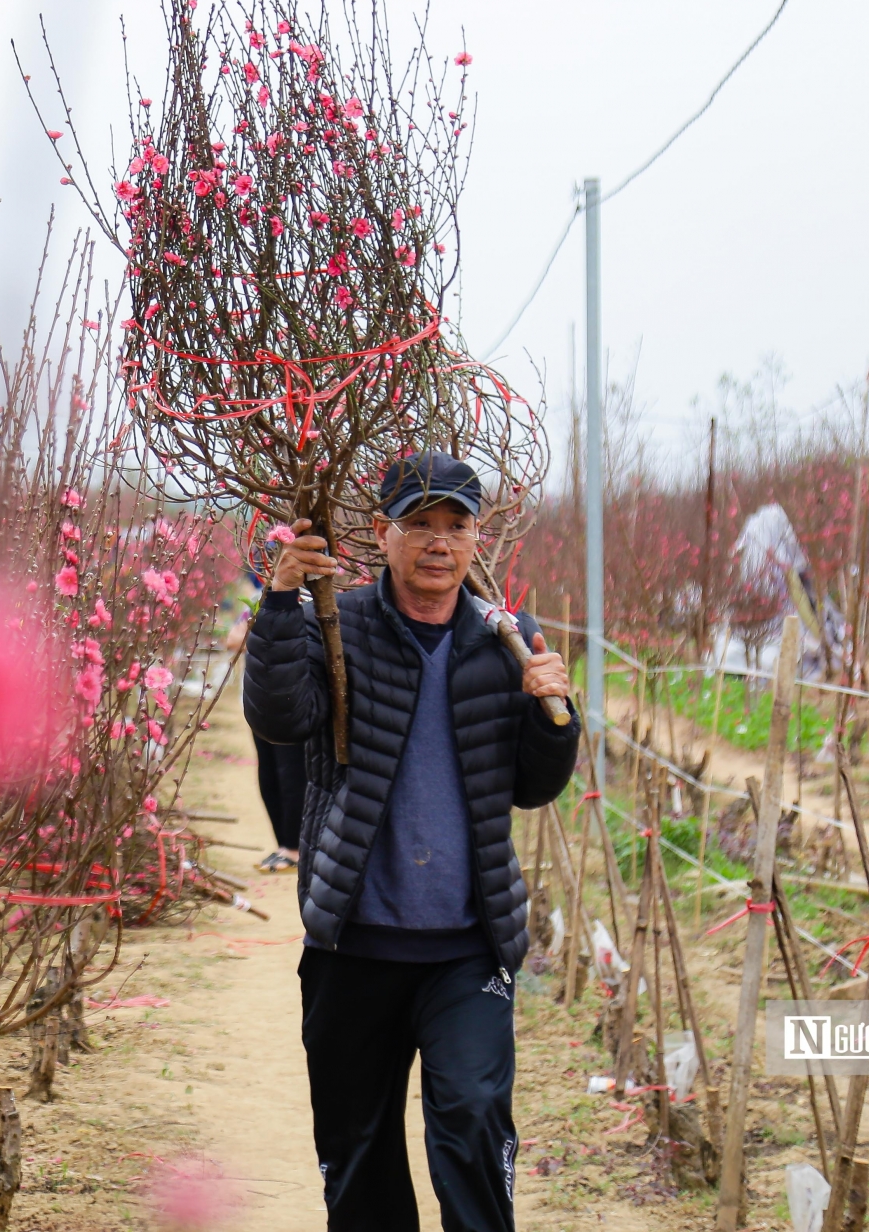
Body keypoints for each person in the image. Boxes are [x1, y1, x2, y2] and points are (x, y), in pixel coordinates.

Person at [244, 451, 579, 1232]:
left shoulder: (508, 640)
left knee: (472, 1120)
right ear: (381, 532)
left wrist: (552, 713)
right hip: (355, 944)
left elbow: (535, 787)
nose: (438, 542)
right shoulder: (338, 625)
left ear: (476, 538)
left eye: (456, 525)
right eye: (419, 523)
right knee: (358, 1153)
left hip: (468, 947)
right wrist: (282, 598)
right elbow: (280, 719)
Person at [226, 608, 306, 872]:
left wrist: (260, 639)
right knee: (269, 776)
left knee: (291, 775)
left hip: (292, 702)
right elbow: (233, 640)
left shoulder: (305, 603)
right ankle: (284, 845)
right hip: (259, 703)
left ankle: (295, 848)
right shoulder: (257, 606)